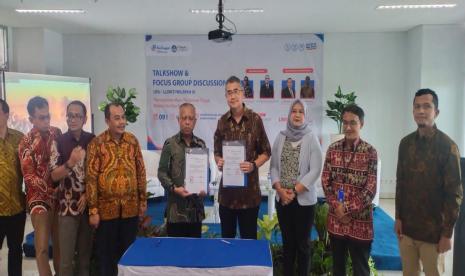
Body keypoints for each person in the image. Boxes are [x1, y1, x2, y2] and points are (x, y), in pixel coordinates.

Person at [395, 88, 462, 276]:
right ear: (412, 110)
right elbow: (401, 182)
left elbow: (454, 194)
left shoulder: (447, 147)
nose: (421, 111)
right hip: (407, 230)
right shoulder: (405, 144)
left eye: (427, 106)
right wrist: (398, 217)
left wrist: (447, 234)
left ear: (436, 112)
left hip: (433, 234)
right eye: (417, 106)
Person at [86, 103, 147, 276]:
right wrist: (93, 210)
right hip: (106, 213)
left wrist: (142, 201)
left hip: (130, 210)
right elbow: (91, 178)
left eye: (123, 117)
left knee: (127, 256)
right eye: (117, 118)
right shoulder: (97, 144)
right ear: (107, 120)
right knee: (107, 257)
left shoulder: (132, 141)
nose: (122, 122)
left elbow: (140, 172)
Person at [322, 104, 378, 276]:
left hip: (360, 223)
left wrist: (346, 209)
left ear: (361, 124)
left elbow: (370, 189)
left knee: (360, 269)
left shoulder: (370, 152)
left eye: (352, 123)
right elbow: (326, 182)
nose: (348, 127)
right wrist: (337, 209)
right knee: (338, 268)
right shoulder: (333, 149)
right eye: (345, 123)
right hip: (336, 221)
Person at [214, 76, 271, 239]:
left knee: (249, 240)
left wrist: (253, 165)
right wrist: (218, 160)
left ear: (243, 94)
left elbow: (266, 152)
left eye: (236, 91)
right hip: (227, 196)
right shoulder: (222, 122)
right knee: (227, 240)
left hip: (249, 195)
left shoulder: (255, 120)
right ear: (226, 96)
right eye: (229, 93)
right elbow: (217, 151)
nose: (232, 96)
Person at [270, 99, 323, 276]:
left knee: (303, 245)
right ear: (289, 114)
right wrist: (280, 190)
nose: (298, 114)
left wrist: (294, 192)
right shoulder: (280, 136)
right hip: (282, 200)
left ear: (305, 115)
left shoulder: (311, 137)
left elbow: (316, 169)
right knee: (288, 244)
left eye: (301, 111)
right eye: (294, 111)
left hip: (303, 202)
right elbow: (274, 167)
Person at [50, 101, 95, 276]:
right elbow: (54, 176)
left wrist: (88, 194)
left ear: (84, 119)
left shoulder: (92, 140)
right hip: (66, 209)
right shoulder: (59, 141)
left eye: (77, 115)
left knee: (85, 260)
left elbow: (97, 173)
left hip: (87, 207)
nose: (72, 119)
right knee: (66, 263)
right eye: (69, 115)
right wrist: (70, 162)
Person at [19, 96, 62, 276]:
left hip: (60, 197)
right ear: (31, 119)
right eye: (41, 117)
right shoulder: (25, 143)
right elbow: (29, 178)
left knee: (60, 246)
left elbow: (63, 161)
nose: (46, 121)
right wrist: (51, 190)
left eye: (48, 116)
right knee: (42, 248)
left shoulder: (57, 133)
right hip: (38, 201)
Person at [158, 103, 206, 238]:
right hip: (176, 211)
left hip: (195, 212)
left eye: (191, 119)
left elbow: (204, 172)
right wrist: (174, 188)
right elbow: (161, 173)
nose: (187, 122)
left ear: (195, 121)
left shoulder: (201, 144)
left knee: (194, 252)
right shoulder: (169, 144)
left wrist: (203, 189)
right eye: (184, 118)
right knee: (175, 254)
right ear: (178, 119)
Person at [0, 99, 25, 276]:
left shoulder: (19, 138)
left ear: (6, 114)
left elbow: (27, 170)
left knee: (15, 250)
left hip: (17, 206)